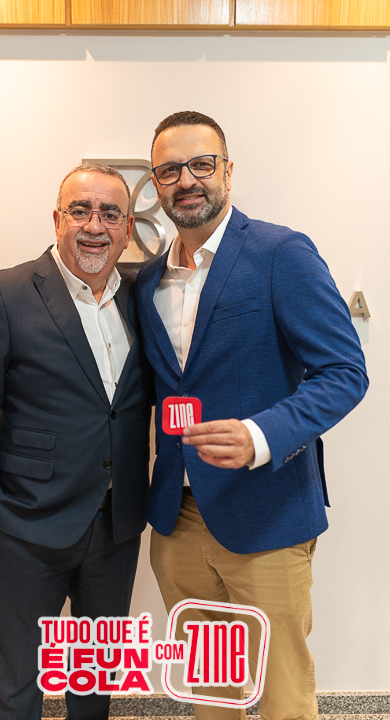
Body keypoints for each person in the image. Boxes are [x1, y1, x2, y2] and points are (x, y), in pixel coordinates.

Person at [135, 111, 368, 720]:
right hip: (177, 521)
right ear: (156, 184)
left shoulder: (280, 253)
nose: (187, 180)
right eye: (170, 170)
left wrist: (260, 434)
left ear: (228, 171)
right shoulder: (148, 280)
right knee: (209, 693)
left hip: (267, 514)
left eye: (201, 164)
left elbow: (345, 372)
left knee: (282, 695)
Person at [0, 163, 152, 720]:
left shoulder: (142, 296)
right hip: (28, 526)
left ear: (127, 228)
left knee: (94, 684)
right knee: (15, 687)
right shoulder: (6, 292)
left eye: (110, 213)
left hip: (117, 528)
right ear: (57, 219)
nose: (94, 226)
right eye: (80, 211)